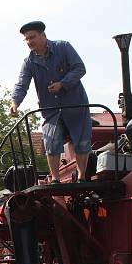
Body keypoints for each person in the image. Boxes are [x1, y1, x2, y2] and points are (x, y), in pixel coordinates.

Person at [10, 20, 93, 182]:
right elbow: (21, 84)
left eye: (32, 37)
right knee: (51, 141)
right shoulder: (29, 62)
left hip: (76, 106)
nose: (29, 42)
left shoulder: (64, 47)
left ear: (43, 35)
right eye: (26, 39)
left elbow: (80, 68)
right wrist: (15, 102)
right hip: (51, 110)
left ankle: (82, 177)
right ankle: (55, 179)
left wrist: (63, 84)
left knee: (82, 142)